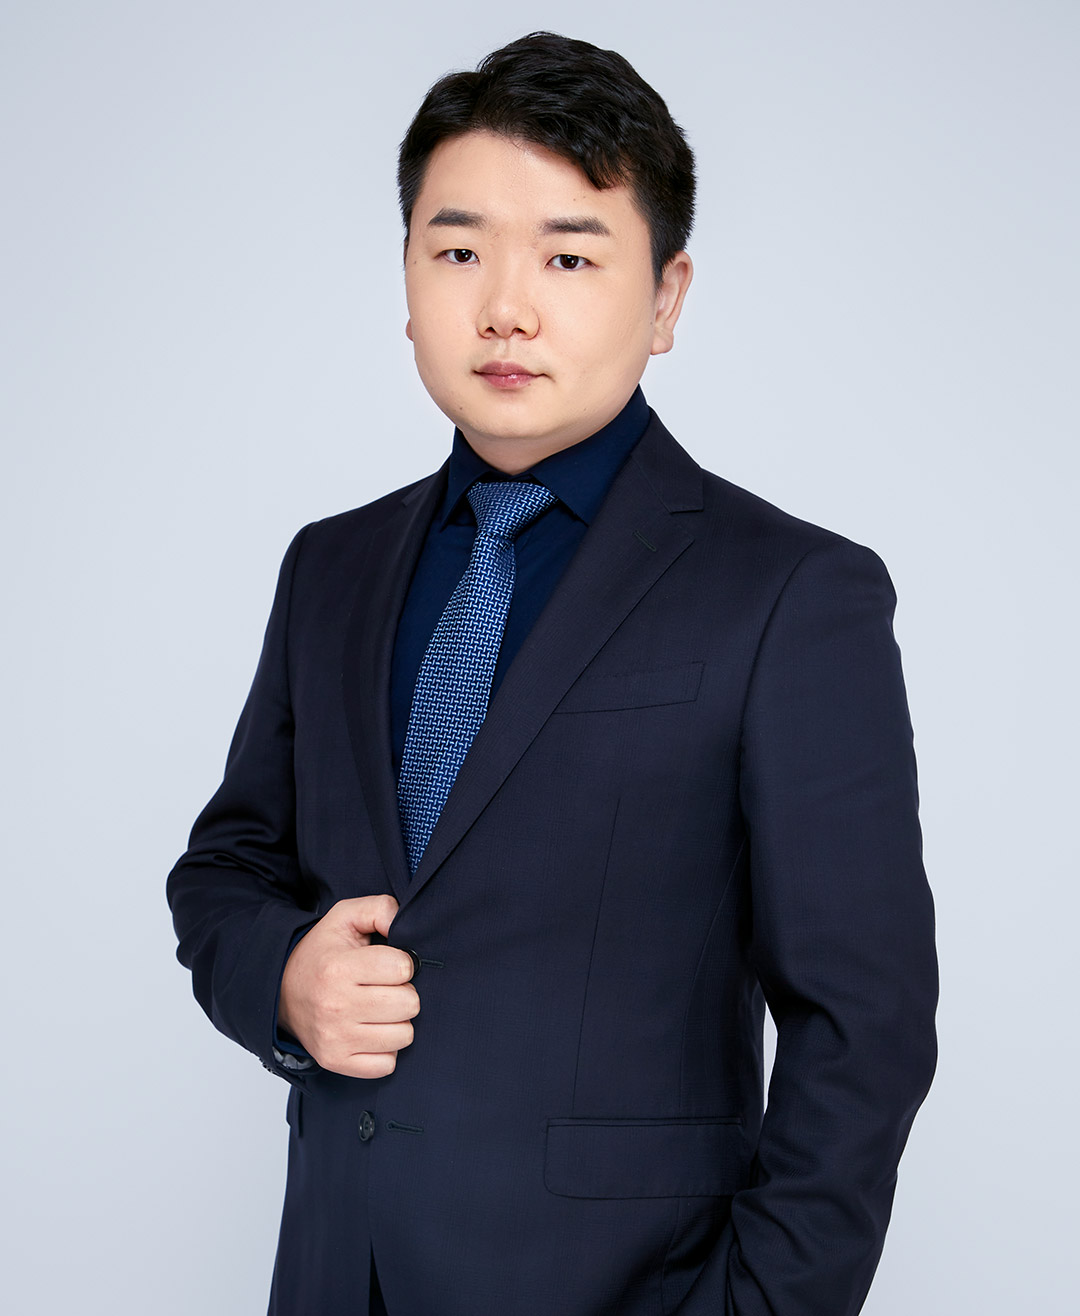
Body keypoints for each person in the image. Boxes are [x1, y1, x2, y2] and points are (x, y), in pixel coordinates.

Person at [167, 31, 937, 1316]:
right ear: (406, 277)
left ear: (667, 297)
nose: (505, 309)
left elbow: (866, 1023)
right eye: (458, 251)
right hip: (335, 1276)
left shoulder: (792, 592)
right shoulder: (331, 567)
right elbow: (228, 864)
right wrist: (285, 977)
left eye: (570, 257)